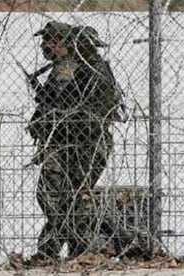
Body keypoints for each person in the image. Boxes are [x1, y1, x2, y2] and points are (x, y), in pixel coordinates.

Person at [26, 21, 125, 260]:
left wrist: (61, 119)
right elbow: (54, 102)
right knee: (63, 199)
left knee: (73, 199)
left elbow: (90, 111)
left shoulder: (95, 72)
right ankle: (69, 249)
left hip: (87, 145)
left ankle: (97, 242)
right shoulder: (67, 69)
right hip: (65, 143)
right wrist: (42, 120)